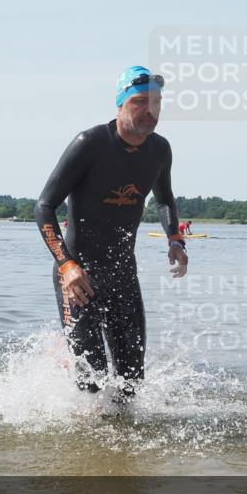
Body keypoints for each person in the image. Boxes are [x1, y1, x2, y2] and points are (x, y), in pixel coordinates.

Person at [35, 66, 188, 403]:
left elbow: (164, 200)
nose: (150, 111)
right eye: (139, 101)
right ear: (119, 104)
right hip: (79, 278)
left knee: (132, 384)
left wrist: (175, 239)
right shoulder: (90, 144)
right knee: (91, 383)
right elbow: (44, 206)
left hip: (122, 275)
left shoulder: (160, 150)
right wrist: (67, 266)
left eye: (157, 103)